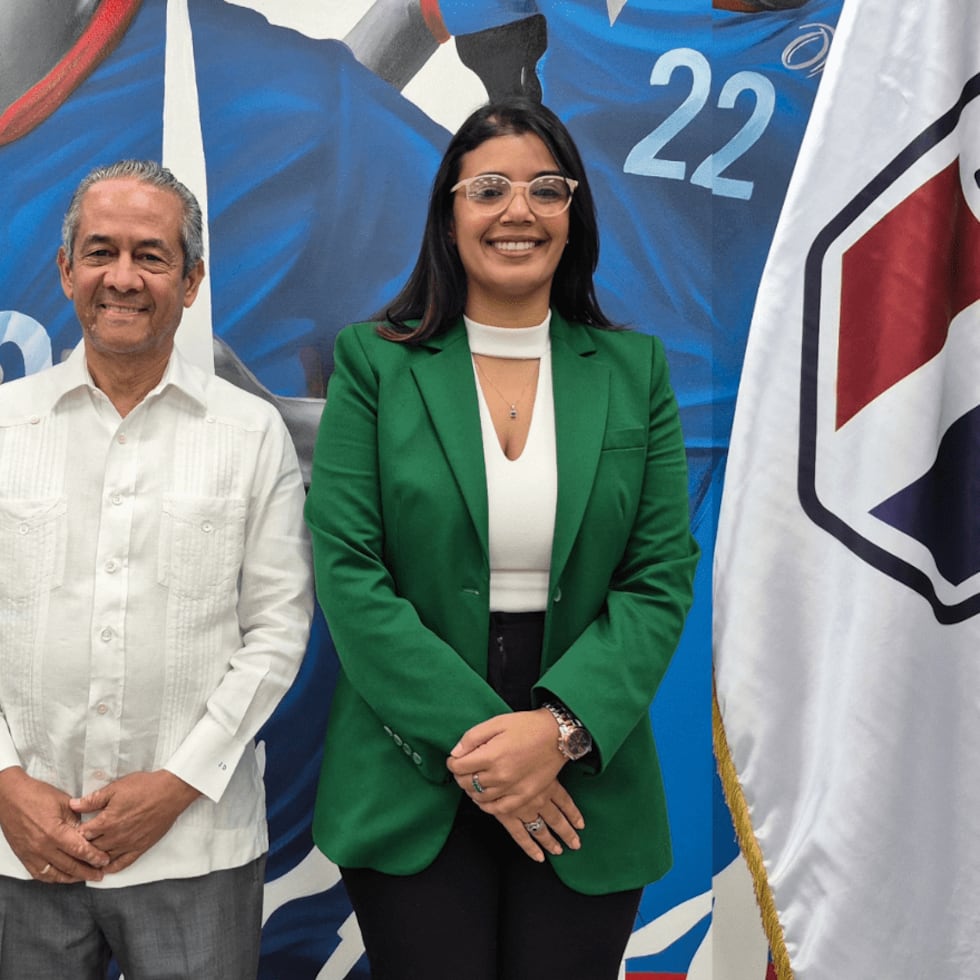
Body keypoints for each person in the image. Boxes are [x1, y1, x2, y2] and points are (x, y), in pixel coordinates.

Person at [305, 99, 699, 978]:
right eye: (489, 188)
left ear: (574, 214)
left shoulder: (635, 372)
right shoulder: (375, 362)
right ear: (450, 213)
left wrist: (556, 732)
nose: (518, 211)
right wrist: (497, 746)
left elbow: (661, 573)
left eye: (545, 189)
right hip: (412, 750)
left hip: (585, 758)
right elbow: (349, 572)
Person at [0, 159, 312, 978]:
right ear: (66, 269)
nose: (123, 278)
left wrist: (176, 785)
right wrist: (5, 785)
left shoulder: (250, 434)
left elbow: (278, 631)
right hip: (16, 846)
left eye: (152, 255)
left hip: (195, 849)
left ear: (194, 278)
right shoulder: (5, 428)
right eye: (100, 252)